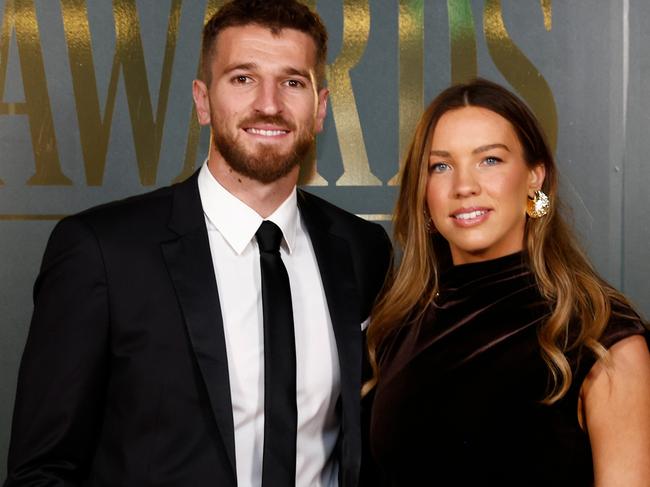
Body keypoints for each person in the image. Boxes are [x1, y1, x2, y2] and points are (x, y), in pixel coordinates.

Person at [4, 1, 392, 486]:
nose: (269, 103)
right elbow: (41, 472)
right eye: (243, 78)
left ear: (320, 109)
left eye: (293, 82)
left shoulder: (361, 250)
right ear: (203, 101)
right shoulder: (101, 252)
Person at [364, 79, 650, 486]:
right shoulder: (397, 325)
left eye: (490, 160)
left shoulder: (599, 334)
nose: (464, 186)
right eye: (440, 166)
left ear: (535, 177)